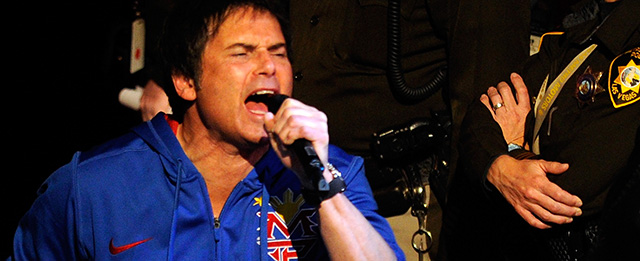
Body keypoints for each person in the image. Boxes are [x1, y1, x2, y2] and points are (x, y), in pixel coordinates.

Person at [10, 0, 404, 260]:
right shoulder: (94, 186)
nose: (269, 67)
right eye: (242, 53)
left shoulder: (336, 173)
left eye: (279, 53)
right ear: (185, 81)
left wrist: (319, 183)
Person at [440, 0, 639, 260]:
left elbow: (571, 186)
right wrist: (498, 165)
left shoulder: (625, 41)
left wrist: (512, 151)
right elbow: (482, 113)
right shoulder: (582, 25)